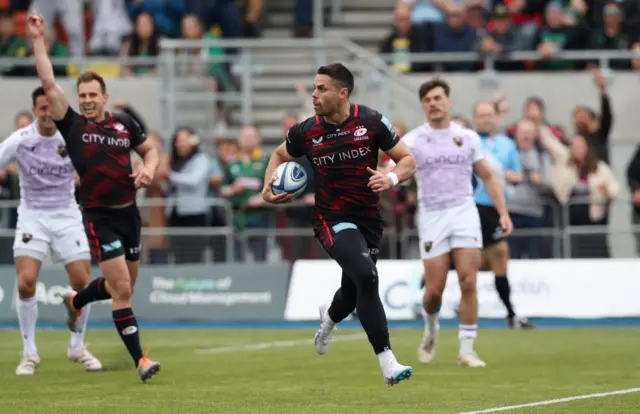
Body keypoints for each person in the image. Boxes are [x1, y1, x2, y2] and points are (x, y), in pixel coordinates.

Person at [261, 63, 417, 386]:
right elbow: (278, 156)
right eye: (314, 88)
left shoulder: (371, 121)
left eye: (322, 89)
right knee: (367, 275)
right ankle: (388, 363)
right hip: (331, 218)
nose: (314, 95)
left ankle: (329, 318)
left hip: (369, 220)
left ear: (342, 93)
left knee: (352, 289)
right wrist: (266, 188)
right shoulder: (306, 131)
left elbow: (408, 160)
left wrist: (389, 178)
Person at [28, 13, 161, 382]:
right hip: (98, 217)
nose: (86, 100)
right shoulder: (72, 125)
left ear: (105, 96)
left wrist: (148, 168)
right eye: (81, 95)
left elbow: (150, 151)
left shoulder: (124, 124)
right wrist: (39, 40)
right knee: (122, 290)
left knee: (125, 286)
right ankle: (141, 361)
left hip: (129, 214)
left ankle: (77, 299)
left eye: (92, 95)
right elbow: (47, 82)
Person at [404, 78, 513, 368]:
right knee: (435, 290)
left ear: (448, 101)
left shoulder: (467, 138)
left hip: (464, 212)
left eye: (438, 98)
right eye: (427, 100)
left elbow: (488, 176)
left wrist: (503, 212)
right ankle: (431, 327)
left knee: (468, 279)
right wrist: (385, 176)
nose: (433, 103)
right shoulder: (413, 140)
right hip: (431, 216)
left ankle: (466, 349)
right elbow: (396, 167)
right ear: (423, 106)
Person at [1, 87, 102, 375]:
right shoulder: (21, 140)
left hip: (67, 217)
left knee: (84, 284)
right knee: (26, 283)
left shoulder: (73, 137)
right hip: (32, 217)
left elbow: (97, 165)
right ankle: (29, 353)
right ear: (35, 111)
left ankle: (77, 346)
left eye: (51, 108)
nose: (47, 114)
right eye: (42, 109)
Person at [472, 101, 534, 329]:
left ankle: (509, 313)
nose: (485, 119)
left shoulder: (506, 145)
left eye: (489, 115)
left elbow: (518, 175)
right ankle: (510, 313)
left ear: (496, 118)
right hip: (472, 205)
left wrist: (507, 175)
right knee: (498, 252)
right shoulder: (468, 141)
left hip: (495, 206)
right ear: (475, 118)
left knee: (495, 257)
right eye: (481, 115)